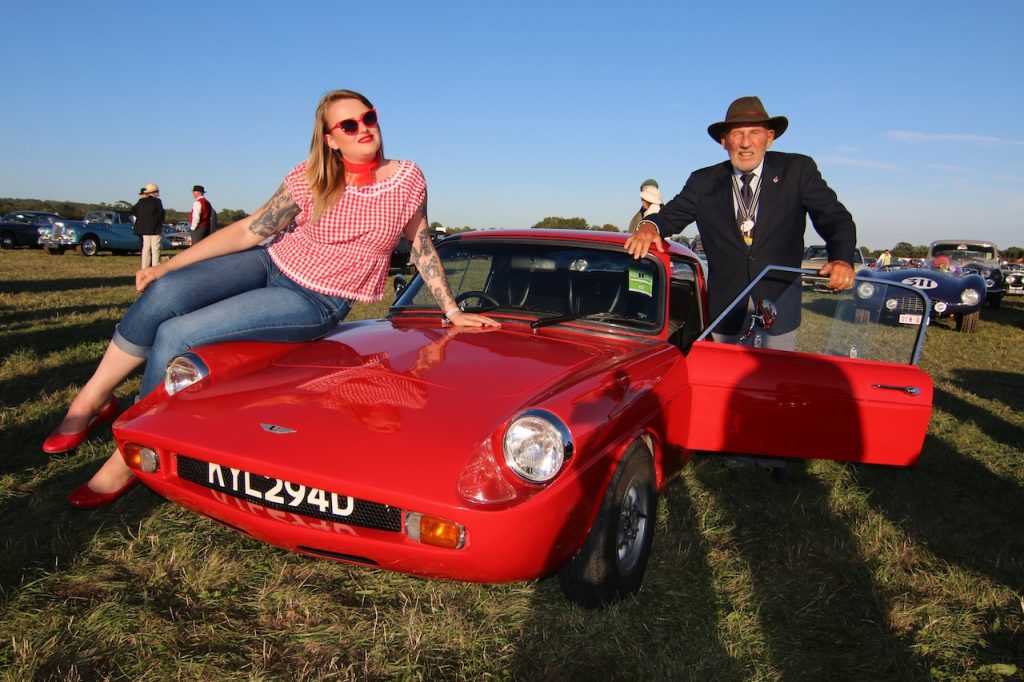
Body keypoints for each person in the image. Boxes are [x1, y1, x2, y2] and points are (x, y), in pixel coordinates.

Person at [42, 88, 499, 508]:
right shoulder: (312, 177)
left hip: (317, 299)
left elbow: (420, 243)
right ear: (330, 139)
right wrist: (167, 265)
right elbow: (250, 230)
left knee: (180, 333)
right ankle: (92, 401)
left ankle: (133, 449)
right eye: (350, 125)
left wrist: (452, 309)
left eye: (369, 117)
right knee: (167, 293)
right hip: (269, 262)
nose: (365, 129)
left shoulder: (407, 179)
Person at [624, 96, 857, 480]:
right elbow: (674, 214)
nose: (745, 143)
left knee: (776, 379)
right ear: (723, 142)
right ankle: (734, 447)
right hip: (728, 298)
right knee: (730, 381)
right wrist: (650, 227)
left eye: (753, 133)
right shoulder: (704, 181)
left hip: (780, 294)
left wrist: (842, 256)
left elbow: (833, 215)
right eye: (737, 135)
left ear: (769, 137)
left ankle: (773, 452)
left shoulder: (798, 170)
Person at [132, 183, 165, 268]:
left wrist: (141, 217)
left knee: (146, 248)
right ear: (154, 192)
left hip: (144, 228)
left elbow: (133, 210)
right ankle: (155, 266)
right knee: (155, 248)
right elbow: (161, 214)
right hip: (155, 228)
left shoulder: (141, 201)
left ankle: (144, 267)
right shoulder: (157, 201)